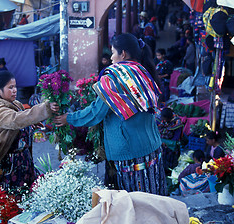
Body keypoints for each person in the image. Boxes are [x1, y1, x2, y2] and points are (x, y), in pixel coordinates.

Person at [54, 33, 167, 195]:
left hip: (131, 151)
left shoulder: (114, 78)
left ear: (123, 54)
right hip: (152, 147)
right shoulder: (142, 71)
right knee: (154, 198)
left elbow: (96, 113)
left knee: (135, 203)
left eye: (113, 52)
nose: (111, 58)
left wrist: (69, 118)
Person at [0, 71, 59, 196]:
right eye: (10, 87)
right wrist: (45, 108)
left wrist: (32, 124)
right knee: (14, 196)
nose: (15, 90)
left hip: (23, 160)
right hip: (9, 164)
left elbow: (23, 118)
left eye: (15, 87)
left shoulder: (15, 104)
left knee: (27, 192)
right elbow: (16, 120)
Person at [156, 107, 183, 176]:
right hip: (160, 142)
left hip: (171, 144)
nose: (163, 120)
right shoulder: (157, 119)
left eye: (164, 119)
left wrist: (168, 143)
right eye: (162, 118)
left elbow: (177, 137)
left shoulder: (177, 122)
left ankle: (169, 171)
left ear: (169, 119)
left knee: (170, 159)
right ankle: (161, 170)